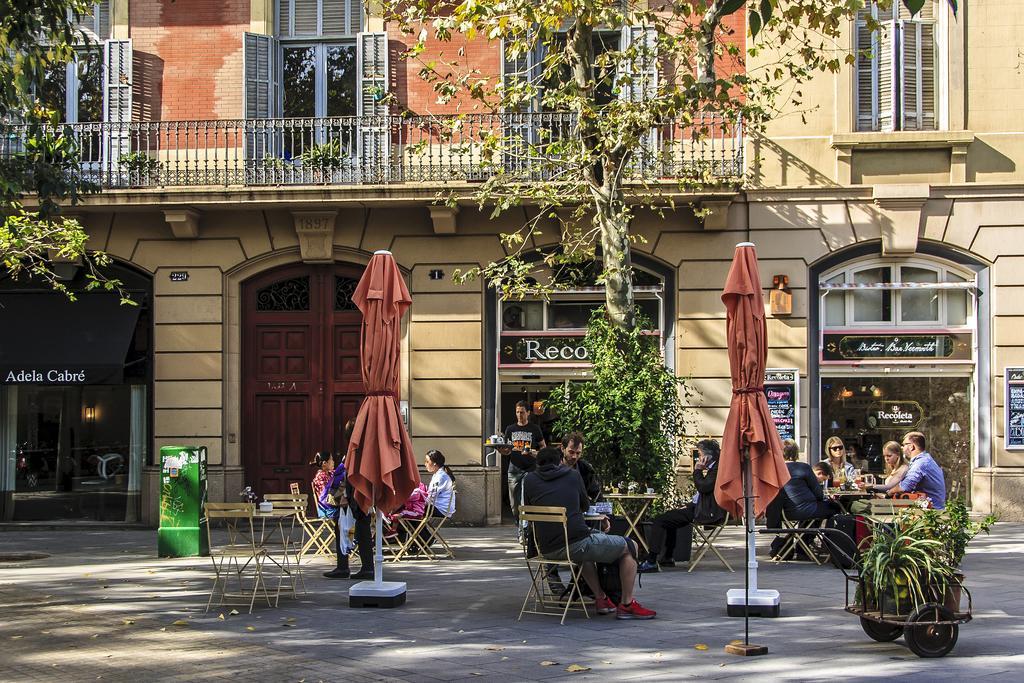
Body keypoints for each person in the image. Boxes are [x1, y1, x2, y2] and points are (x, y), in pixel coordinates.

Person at [522, 447, 656, 620]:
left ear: (538, 463)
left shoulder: (529, 480)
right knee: (631, 546)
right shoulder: (572, 475)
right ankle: (627, 604)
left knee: (585, 549)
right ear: (559, 461)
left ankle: (601, 598)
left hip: (545, 548)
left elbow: (529, 508)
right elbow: (585, 506)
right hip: (575, 543)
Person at [638, 439, 726, 573]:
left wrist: (697, 471)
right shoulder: (715, 468)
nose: (699, 458)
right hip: (700, 508)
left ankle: (651, 561)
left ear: (708, 456)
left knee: (659, 521)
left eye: (700, 455)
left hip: (706, 512)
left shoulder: (716, 470)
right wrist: (688, 505)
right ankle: (667, 557)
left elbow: (703, 487)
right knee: (668, 519)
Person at [768, 442, 841, 558]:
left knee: (812, 515)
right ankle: (825, 546)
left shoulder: (775, 470)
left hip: (783, 512)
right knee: (835, 509)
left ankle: (802, 547)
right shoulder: (803, 467)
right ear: (796, 453)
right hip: (805, 509)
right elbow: (818, 494)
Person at [502, 400, 547, 520]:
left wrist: (535, 453)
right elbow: (507, 449)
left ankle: (527, 527)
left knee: (528, 499)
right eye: (517, 412)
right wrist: (502, 451)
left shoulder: (534, 428)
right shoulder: (510, 429)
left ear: (528, 413)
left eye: (522, 412)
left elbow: (543, 446)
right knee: (514, 503)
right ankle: (519, 524)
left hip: (531, 468)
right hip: (514, 468)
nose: (519, 415)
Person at [890, 431, 947, 509]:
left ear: (911, 446)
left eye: (904, 444)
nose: (902, 448)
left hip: (931, 513)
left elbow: (904, 487)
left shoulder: (921, 463)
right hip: (928, 509)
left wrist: (888, 493)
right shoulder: (924, 459)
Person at [850, 441, 908, 515]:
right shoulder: (894, 468)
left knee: (855, 506)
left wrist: (870, 486)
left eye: (889, 456)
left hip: (895, 504)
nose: (886, 459)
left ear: (898, 455)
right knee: (856, 503)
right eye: (884, 456)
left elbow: (889, 487)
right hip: (888, 500)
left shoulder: (903, 468)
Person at [560, 432, 602, 505]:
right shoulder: (551, 466)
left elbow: (596, 494)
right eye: (571, 452)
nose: (574, 457)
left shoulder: (586, 470)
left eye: (578, 453)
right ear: (563, 448)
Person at [425, 449, 456, 516]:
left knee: (412, 508)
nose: (425, 464)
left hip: (441, 509)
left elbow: (432, 495)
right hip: (441, 507)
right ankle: (420, 526)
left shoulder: (440, 476)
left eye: (427, 461)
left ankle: (417, 526)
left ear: (434, 463)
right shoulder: (438, 474)